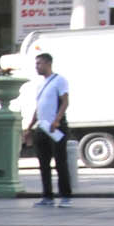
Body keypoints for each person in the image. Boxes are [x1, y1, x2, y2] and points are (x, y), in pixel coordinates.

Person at [23, 51, 74, 208]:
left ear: (48, 64)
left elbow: (65, 102)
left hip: (55, 127)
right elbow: (38, 109)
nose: (36, 67)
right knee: (43, 163)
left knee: (60, 162)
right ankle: (47, 195)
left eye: (39, 63)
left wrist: (57, 120)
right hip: (42, 128)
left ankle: (65, 196)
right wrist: (30, 126)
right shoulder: (40, 85)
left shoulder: (60, 81)